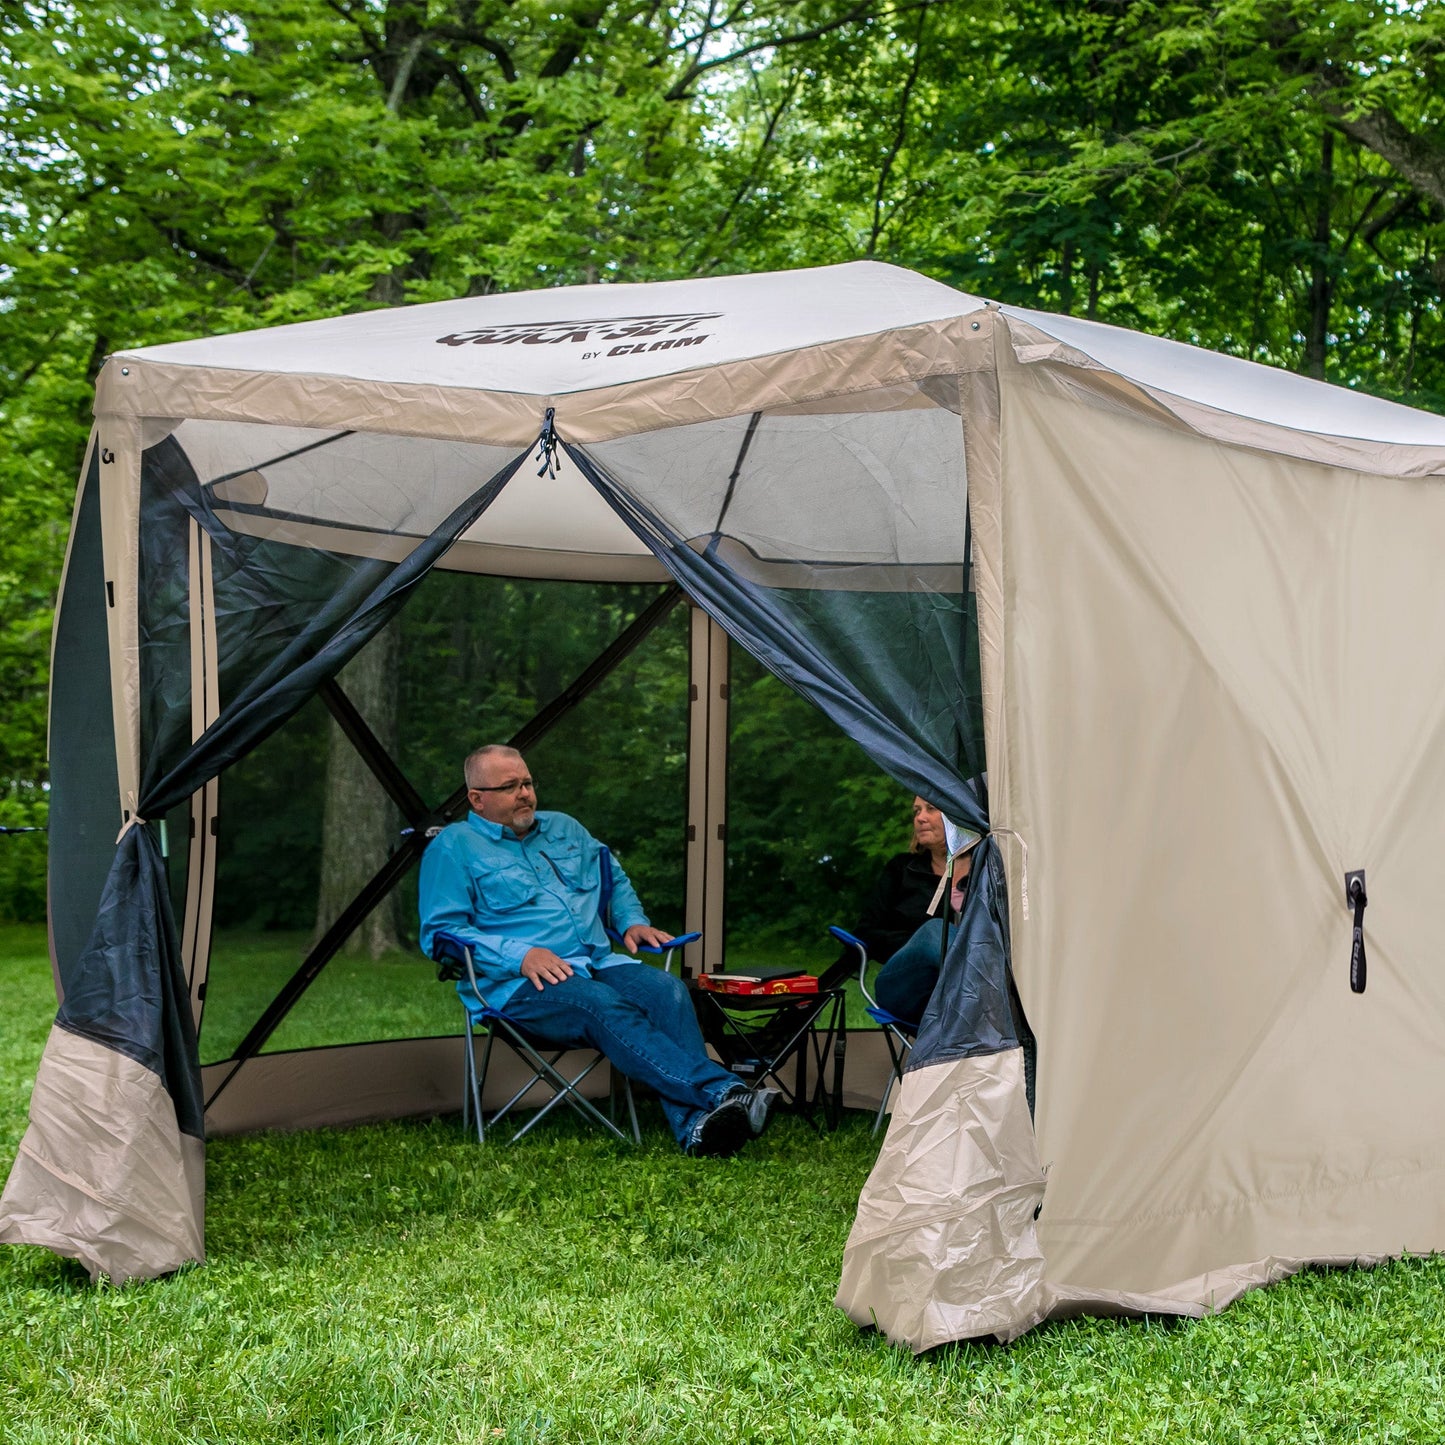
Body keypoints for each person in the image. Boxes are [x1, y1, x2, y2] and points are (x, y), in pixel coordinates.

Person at [418, 744, 776, 1157]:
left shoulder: (565, 828)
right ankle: (724, 1091)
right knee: (601, 1004)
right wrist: (519, 954)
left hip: (595, 963)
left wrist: (631, 920)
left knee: (667, 990)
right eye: (510, 786)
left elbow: (614, 876)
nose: (525, 794)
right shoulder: (453, 848)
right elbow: (442, 933)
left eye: (528, 783)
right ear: (476, 798)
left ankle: (698, 1129)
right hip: (516, 987)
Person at [830, 796, 978, 1026]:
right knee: (935, 931)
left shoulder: (987, 871)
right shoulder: (902, 870)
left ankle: (978, 993)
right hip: (908, 988)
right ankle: (983, 991)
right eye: (916, 811)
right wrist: (916, 943)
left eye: (931, 808)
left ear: (957, 815)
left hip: (958, 1001)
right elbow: (866, 931)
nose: (920, 818)